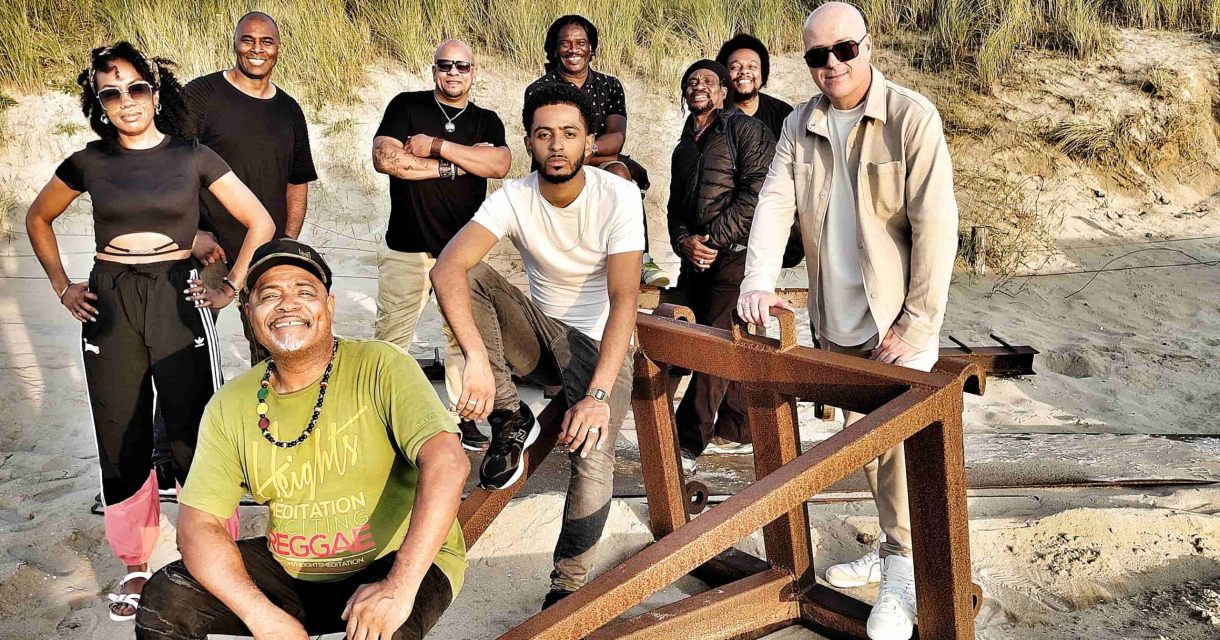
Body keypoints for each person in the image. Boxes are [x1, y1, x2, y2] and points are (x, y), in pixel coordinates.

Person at [25, 42, 275, 622]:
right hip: (109, 305)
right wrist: (64, 285)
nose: (126, 101)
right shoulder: (89, 161)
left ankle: (210, 559)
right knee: (121, 434)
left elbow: (258, 220)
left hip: (178, 302)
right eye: (111, 93)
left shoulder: (192, 155)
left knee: (196, 431)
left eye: (136, 88)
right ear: (99, 102)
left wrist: (231, 284)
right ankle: (136, 563)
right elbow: (38, 217)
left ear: (155, 93)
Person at [736, 5, 959, 639]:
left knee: (894, 449)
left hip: (896, 320)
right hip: (835, 318)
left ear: (868, 45)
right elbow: (776, 201)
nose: (831, 64)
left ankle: (900, 570)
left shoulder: (912, 117)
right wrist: (757, 280)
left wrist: (916, 325)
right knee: (869, 445)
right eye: (816, 56)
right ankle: (896, 549)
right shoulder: (800, 123)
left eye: (843, 50)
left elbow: (937, 226)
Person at [134, 239, 469, 640]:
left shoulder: (382, 365)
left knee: (384, 633)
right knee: (166, 600)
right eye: (269, 295)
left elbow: (449, 462)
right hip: (292, 570)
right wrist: (263, 617)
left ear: (329, 307)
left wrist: (399, 587)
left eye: (304, 292)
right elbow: (198, 525)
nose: (287, 304)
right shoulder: (231, 404)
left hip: (393, 561)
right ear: (249, 314)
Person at [431, 83, 642, 609]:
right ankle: (508, 416)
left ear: (590, 143)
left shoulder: (616, 195)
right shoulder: (514, 196)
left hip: (600, 342)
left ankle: (567, 586)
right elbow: (446, 268)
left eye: (569, 134)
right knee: (471, 274)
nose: (557, 145)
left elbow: (624, 300)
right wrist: (478, 359)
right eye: (544, 134)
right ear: (528, 142)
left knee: (591, 455)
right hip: (543, 336)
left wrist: (595, 397)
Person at [372, 39, 511, 452]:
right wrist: (462, 164)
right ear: (434, 69)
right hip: (406, 247)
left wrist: (435, 148)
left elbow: (499, 165)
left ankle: (463, 418)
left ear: (473, 71)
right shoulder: (406, 106)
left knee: (462, 335)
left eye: (462, 67)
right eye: (445, 66)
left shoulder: (486, 120)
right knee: (392, 336)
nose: (453, 73)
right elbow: (387, 159)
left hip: (460, 250)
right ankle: (383, 414)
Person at [183, 10, 318, 365]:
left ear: (278, 48)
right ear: (235, 44)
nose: (257, 49)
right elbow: (169, 167)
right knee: (188, 351)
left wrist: (286, 243)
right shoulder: (202, 95)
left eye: (266, 41)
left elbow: (297, 183)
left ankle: (270, 420)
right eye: (248, 40)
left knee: (273, 355)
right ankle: (184, 423)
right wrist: (190, 233)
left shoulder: (289, 110)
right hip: (209, 252)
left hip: (263, 253)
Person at [667, 60, 776, 473]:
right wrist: (684, 242)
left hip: (735, 255)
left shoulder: (742, 129)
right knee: (715, 336)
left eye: (709, 81)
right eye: (691, 80)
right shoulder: (682, 146)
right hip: (696, 260)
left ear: (724, 92)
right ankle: (737, 429)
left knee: (716, 342)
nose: (699, 86)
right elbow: (674, 209)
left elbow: (759, 190)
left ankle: (687, 441)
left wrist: (713, 238)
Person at [524, 14, 670, 288]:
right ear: (554, 50)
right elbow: (548, 146)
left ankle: (640, 258)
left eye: (581, 42)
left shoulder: (610, 86)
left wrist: (583, 151)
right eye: (565, 43)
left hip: (596, 163)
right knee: (600, 167)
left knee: (618, 171)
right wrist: (592, 150)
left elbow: (616, 139)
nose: (574, 49)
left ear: (592, 48)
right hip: (555, 167)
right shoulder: (540, 90)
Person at [716, 33, 794, 139]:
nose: (744, 71)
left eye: (752, 66)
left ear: (762, 75)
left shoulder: (783, 113)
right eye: (735, 67)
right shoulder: (712, 115)